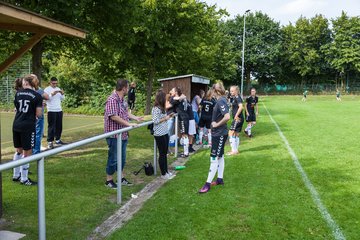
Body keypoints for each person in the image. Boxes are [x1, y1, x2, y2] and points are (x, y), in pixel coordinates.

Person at [104, 79, 143, 189]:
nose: (129, 89)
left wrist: (136, 118)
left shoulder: (122, 100)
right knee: (113, 158)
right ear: (124, 88)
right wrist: (128, 124)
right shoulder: (112, 99)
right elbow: (113, 116)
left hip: (123, 134)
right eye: (128, 87)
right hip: (114, 134)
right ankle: (109, 180)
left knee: (122, 158)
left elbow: (125, 113)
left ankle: (121, 178)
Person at [199, 82, 230, 193]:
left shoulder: (221, 100)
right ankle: (219, 179)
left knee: (213, 158)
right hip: (218, 133)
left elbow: (227, 116)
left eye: (211, 90)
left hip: (219, 134)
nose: (210, 92)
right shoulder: (219, 100)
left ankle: (207, 184)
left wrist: (216, 124)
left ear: (215, 91)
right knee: (220, 156)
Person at [12, 75, 43, 186]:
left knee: (18, 150)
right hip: (27, 126)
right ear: (33, 83)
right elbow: (39, 115)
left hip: (16, 124)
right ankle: (24, 179)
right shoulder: (37, 96)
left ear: (26, 83)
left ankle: (16, 175)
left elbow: (17, 108)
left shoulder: (18, 93)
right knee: (27, 152)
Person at [152, 90, 175, 180]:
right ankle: (163, 174)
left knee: (165, 153)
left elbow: (163, 118)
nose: (166, 99)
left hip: (165, 133)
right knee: (162, 153)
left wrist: (169, 116)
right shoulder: (156, 109)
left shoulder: (162, 108)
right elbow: (155, 121)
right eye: (165, 97)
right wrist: (166, 118)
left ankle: (166, 171)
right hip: (159, 134)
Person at [44, 77, 65, 149]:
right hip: (51, 110)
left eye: (56, 83)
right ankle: (50, 142)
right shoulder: (47, 89)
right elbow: (46, 98)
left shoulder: (58, 88)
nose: (55, 85)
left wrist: (62, 94)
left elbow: (63, 99)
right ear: (50, 82)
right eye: (53, 83)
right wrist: (52, 94)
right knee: (51, 127)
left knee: (59, 126)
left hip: (59, 109)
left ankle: (58, 140)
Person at [169, 87, 190, 158]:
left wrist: (176, 98)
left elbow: (172, 100)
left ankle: (186, 153)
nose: (171, 91)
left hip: (183, 118)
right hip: (185, 117)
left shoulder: (177, 99)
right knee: (184, 135)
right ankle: (185, 152)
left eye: (172, 90)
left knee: (185, 135)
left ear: (176, 92)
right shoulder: (182, 98)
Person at [32, 75, 49, 155]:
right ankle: (36, 152)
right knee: (38, 133)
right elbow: (47, 96)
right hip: (37, 115)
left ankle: (31, 150)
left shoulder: (23, 90)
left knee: (31, 133)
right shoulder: (37, 90)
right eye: (36, 79)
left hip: (28, 116)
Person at [227, 86, 244, 155]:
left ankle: (234, 151)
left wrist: (236, 115)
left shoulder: (237, 98)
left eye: (232, 91)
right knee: (236, 134)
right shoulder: (234, 98)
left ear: (236, 91)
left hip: (238, 119)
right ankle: (236, 150)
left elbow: (241, 107)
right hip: (239, 118)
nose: (231, 92)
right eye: (230, 91)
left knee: (230, 133)